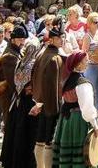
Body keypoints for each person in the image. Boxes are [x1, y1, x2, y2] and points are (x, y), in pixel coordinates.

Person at [51, 52, 98, 167]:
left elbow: (65, 101)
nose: (87, 62)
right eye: (85, 61)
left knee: (68, 155)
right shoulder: (82, 84)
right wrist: (95, 125)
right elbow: (87, 109)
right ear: (77, 64)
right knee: (82, 154)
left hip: (66, 120)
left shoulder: (66, 79)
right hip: (78, 121)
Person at [1, 37, 40, 168]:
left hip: (18, 101)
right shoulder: (33, 65)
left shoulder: (20, 62)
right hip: (29, 102)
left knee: (17, 133)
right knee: (27, 135)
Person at [31, 22, 64, 168]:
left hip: (41, 102)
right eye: (58, 38)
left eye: (62, 37)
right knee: (48, 141)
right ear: (51, 40)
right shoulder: (53, 58)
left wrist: (38, 102)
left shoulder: (42, 54)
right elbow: (53, 87)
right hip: (51, 105)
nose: (61, 40)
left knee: (40, 139)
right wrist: (55, 109)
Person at [81, 12, 98, 112]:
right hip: (91, 66)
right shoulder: (87, 36)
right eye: (95, 22)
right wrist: (91, 56)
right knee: (91, 89)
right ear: (90, 23)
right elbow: (84, 52)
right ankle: (91, 110)